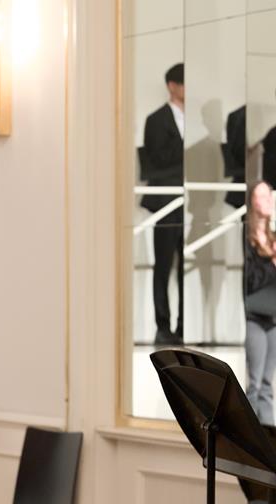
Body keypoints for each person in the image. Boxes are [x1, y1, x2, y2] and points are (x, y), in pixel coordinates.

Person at [141, 63, 185, 345]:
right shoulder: (156, 120)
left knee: (185, 265)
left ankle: (184, 325)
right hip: (167, 203)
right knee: (164, 264)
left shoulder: (195, 120)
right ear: (172, 86)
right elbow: (156, 161)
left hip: (192, 204)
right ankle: (163, 325)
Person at [244, 181, 276, 425]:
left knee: (267, 384)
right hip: (255, 316)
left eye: (270, 196)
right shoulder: (248, 239)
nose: (269, 201)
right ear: (253, 202)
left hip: (273, 316)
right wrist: (272, 260)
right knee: (254, 384)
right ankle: (249, 435)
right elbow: (251, 279)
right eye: (263, 196)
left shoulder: (273, 237)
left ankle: (268, 437)